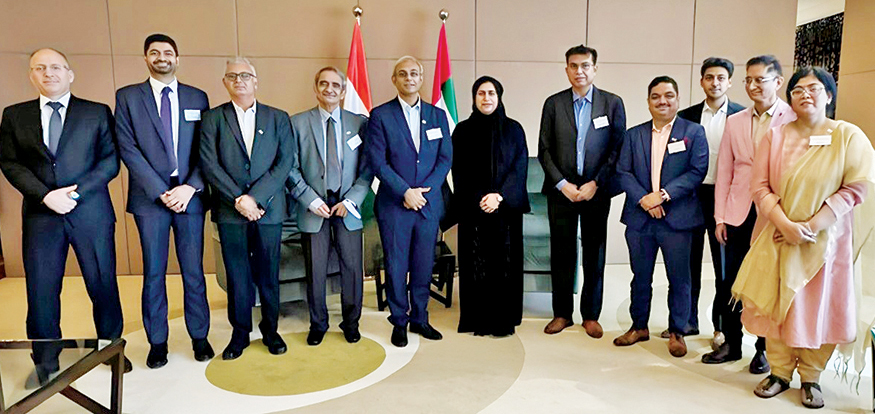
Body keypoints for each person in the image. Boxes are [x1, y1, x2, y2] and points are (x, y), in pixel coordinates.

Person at [732, 67, 875, 409]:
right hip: (777, 237)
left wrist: (811, 226)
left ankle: (811, 376)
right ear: (790, 97)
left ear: (829, 95)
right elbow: (760, 187)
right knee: (779, 305)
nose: (805, 94)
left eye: (814, 88)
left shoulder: (847, 136)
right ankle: (779, 372)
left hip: (826, 243)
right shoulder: (775, 137)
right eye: (798, 90)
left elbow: (855, 188)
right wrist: (785, 225)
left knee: (819, 306)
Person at [0, 48, 131, 376]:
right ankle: (45, 361)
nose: (49, 73)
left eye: (56, 67)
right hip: (41, 216)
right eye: (40, 68)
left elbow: (110, 161)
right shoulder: (15, 115)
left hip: (91, 214)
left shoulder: (96, 112)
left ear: (70, 74)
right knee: (41, 291)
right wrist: (45, 196)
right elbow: (10, 162)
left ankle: (111, 351)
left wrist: (74, 193)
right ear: (32, 75)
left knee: (103, 285)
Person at [115, 33, 213, 368]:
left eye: (168, 52)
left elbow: (206, 149)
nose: (162, 57)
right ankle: (157, 342)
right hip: (150, 199)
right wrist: (161, 190)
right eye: (154, 52)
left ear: (177, 58)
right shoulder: (128, 97)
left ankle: (199, 336)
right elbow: (127, 147)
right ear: (146, 58)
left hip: (190, 198)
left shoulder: (197, 97)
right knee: (154, 272)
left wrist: (191, 187)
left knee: (194, 271)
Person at [704, 55, 796, 373]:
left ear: (778, 82)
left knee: (769, 282)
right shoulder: (735, 121)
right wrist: (719, 217)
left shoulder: (792, 117)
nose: (753, 86)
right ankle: (732, 342)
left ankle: (764, 349)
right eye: (749, 80)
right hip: (738, 212)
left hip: (775, 213)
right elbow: (724, 172)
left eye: (760, 79)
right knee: (732, 281)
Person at [199, 57, 293, 360]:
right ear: (225, 82)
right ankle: (239, 334)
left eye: (245, 75)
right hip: (231, 212)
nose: (239, 80)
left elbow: (284, 163)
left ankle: (271, 331)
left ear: (256, 81)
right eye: (232, 76)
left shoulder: (278, 117)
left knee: (269, 274)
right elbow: (209, 164)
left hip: (268, 211)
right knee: (238, 277)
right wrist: (239, 199)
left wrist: (256, 198)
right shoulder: (213, 118)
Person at [613, 76, 708, 358]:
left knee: (679, 278)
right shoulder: (634, 134)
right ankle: (638, 326)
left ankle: (678, 331)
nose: (662, 101)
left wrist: (663, 195)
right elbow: (623, 171)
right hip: (640, 219)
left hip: (677, 219)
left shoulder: (693, 132)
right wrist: (645, 199)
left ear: (677, 99)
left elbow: (697, 171)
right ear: (648, 102)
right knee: (640, 276)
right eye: (655, 96)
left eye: (668, 95)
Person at [537, 45, 626, 338]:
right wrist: (562, 184)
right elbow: (544, 149)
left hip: (595, 191)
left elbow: (616, 150)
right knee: (561, 253)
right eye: (574, 66)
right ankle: (562, 314)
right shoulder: (554, 103)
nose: (580, 71)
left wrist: (595, 183)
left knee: (594, 254)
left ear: (595, 69)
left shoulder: (612, 103)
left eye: (585, 65)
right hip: (561, 191)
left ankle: (591, 315)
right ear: (566, 70)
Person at [366, 56, 452, 348]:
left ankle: (420, 318)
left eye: (414, 73)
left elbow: (445, 158)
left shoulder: (437, 115)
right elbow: (378, 161)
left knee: (423, 264)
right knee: (396, 265)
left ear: (421, 78)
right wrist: (405, 191)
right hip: (394, 205)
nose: (409, 78)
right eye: (402, 74)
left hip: (428, 204)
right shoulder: (380, 115)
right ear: (395, 80)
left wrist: (423, 193)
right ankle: (399, 320)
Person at [288, 67, 371, 346]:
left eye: (336, 85)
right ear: (316, 88)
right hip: (314, 207)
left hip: (348, 207)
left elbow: (367, 169)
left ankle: (351, 323)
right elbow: (290, 167)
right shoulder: (297, 123)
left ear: (344, 91)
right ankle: (318, 323)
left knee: (352, 269)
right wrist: (310, 200)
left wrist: (352, 200)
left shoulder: (359, 123)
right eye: (323, 83)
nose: (330, 89)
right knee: (316, 270)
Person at [673, 57, 745, 344]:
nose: (715, 83)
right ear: (701, 81)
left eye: (721, 78)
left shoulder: (742, 116)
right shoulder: (686, 116)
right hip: (692, 196)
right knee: (688, 264)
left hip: (726, 199)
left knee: (723, 267)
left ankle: (721, 327)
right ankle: (686, 322)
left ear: (729, 82)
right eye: (709, 77)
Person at [452, 76, 530, 337]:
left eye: (491, 93)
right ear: (474, 98)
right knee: (476, 263)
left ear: (499, 97)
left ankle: (503, 319)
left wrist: (499, 196)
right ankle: (477, 319)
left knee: (504, 264)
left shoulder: (514, 129)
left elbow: (519, 167)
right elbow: (459, 171)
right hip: (474, 211)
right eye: (481, 93)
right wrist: (481, 198)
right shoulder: (462, 131)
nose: (486, 98)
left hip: (505, 211)